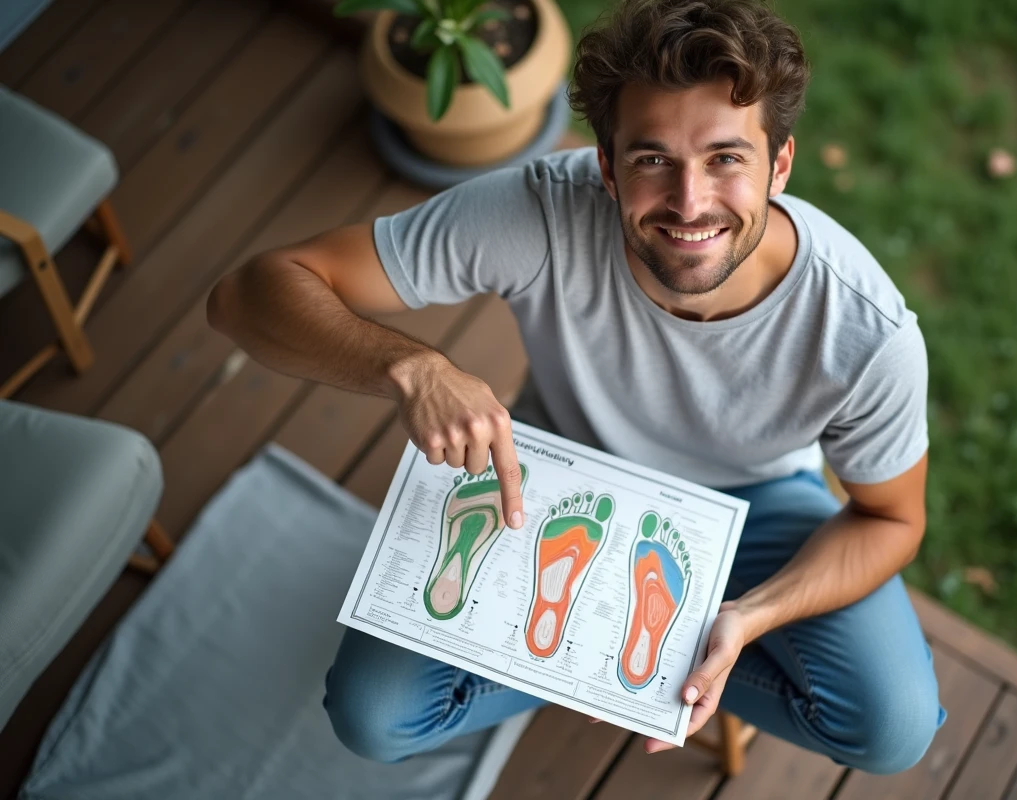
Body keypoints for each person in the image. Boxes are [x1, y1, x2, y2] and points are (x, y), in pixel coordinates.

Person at [207, 0, 945, 774]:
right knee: (374, 716)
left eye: (726, 158)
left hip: (754, 503)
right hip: (553, 477)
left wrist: (750, 619)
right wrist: (411, 367)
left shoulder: (866, 331)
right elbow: (249, 295)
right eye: (652, 159)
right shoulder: (541, 212)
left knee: (893, 729)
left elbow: (892, 519)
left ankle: (618, 656)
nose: (689, 203)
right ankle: (604, 658)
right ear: (605, 164)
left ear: (780, 164)